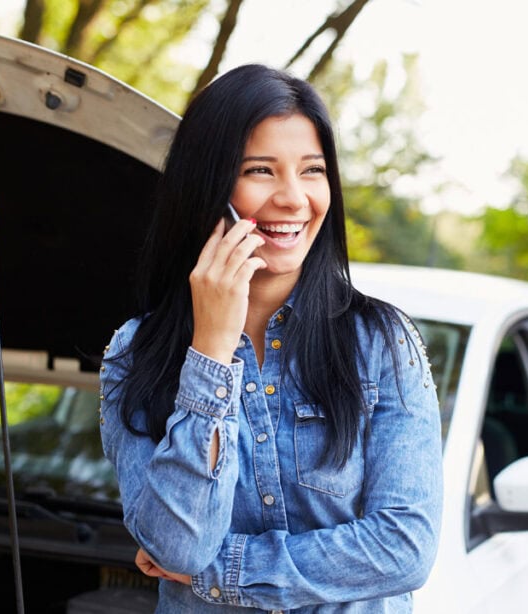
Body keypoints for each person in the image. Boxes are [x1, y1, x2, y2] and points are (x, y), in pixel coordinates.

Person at [99, 64, 443, 613]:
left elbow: (405, 548)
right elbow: (178, 545)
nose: (293, 199)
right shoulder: (134, 353)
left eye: (312, 171)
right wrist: (210, 350)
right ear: (207, 186)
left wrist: (222, 571)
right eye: (261, 170)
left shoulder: (383, 343)